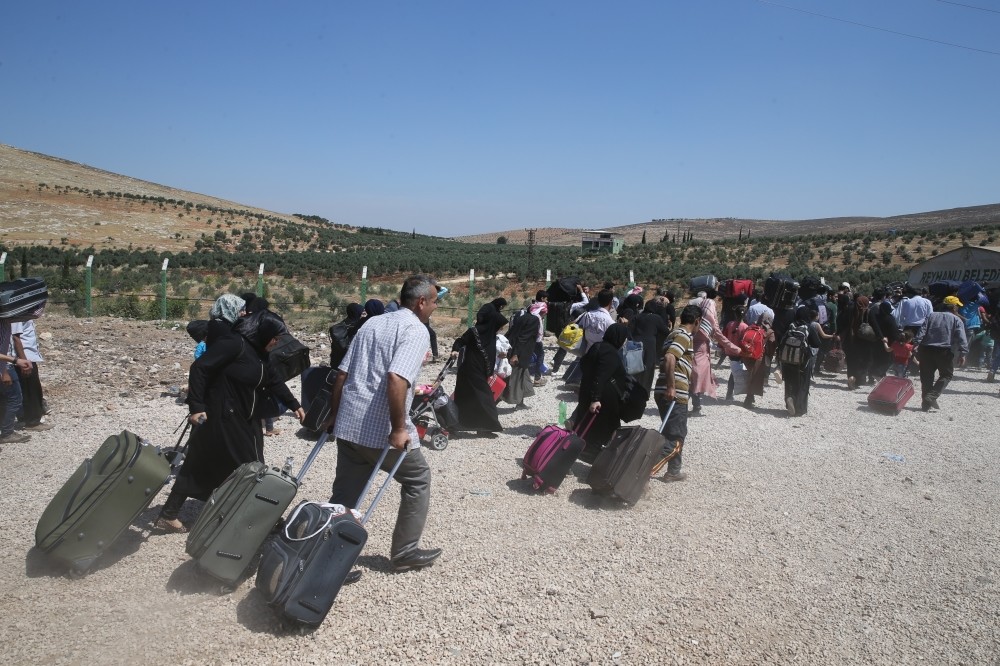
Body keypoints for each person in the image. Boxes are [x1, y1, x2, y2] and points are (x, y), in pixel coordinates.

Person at [155, 297, 305, 532]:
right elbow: (199, 368)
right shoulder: (234, 344)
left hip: (244, 417)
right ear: (264, 332)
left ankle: (171, 513)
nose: (277, 342)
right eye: (275, 337)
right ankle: (265, 520)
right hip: (222, 417)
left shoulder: (260, 353)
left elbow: (273, 379)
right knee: (247, 467)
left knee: (206, 462)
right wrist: (196, 407)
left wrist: (293, 404)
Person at [327, 275, 443, 573]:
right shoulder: (415, 330)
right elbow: (397, 378)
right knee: (418, 478)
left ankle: (325, 555)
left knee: (346, 493)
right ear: (421, 302)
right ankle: (405, 552)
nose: (435, 307)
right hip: (379, 430)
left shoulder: (373, 323)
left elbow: (342, 374)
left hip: (349, 424)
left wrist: (334, 415)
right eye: (434, 302)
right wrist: (399, 428)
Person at [568, 324, 631, 463]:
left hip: (587, 391)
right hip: (602, 399)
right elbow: (601, 376)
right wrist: (596, 398)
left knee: (584, 424)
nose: (625, 341)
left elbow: (584, 364)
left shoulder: (597, 346)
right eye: (624, 338)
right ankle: (597, 457)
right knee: (606, 427)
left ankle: (579, 452)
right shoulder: (610, 353)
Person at [653, 304, 701, 482]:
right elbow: (669, 357)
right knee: (676, 438)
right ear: (697, 321)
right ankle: (641, 473)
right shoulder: (684, 336)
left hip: (661, 390)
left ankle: (674, 471)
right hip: (674, 393)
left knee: (673, 432)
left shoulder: (672, 334)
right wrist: (671, 386)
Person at [449, 303, 508, 436]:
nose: (499, 328)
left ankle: (477, 428)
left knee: (472, 400)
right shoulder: (474, 332)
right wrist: (455, 350)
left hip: (481, 371)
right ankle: (483, 427)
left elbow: (489, 350)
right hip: (470, 371)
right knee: (485, 398)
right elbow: (460, 341)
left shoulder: (490, 334)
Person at [688, 289, 740, 412]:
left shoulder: (696, 317)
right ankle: (690, 405)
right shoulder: (709, 319)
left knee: (693, 377)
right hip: (701, 352)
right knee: (697, 376)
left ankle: (692, 404)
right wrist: (735, 348)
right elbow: (718, 335)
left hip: (691, 348)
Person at [916, 297, 968, 411]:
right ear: (953, 307)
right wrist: (963, 353)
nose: (958, 308)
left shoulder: (931, 315)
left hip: (926, 350)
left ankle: (925, 405)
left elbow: (922, 331)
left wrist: (916, 344)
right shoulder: (956, 319)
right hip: (943, 352)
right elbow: (961, 338)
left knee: (926, 377)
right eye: (957, 306)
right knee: (947, 375)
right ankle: (931, 396)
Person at [780, 306, 822, 417]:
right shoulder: (808, 327)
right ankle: (799, 408)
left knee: (789, 381)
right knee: (803, 383)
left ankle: (789, 397)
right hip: (802, 361)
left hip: (787, 360)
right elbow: (817, 343)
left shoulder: (791, 325)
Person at [11, 320, 51, 431]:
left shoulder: (25, 316)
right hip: (25, 357)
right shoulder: (17, 317)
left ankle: (28, 419)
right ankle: (32, 422)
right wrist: (24, 361)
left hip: (28, 356)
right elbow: (15, 338)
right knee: (30, 390)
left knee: (30, 389)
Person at [502, 297, 540, 407]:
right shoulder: (533, 320)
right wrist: (515, 354)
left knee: (523, 378)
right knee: (515, 379)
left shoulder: (523, 317)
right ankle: (496, 399)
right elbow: (523, 338)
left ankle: (520, 402)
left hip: (520, 353)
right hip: (520, 354)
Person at [0, 319, 32, 445]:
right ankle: (7, 432)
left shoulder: (5, 323)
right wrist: (5, 370)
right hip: (5, 367)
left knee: (7, 399)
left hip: (6, 365)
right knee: (14, 399)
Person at [629, 300, 669, 394]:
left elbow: (630, 330)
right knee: (648, 367)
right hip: (649, 345)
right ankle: (644, 391)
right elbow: (665, 332)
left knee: (635, 367)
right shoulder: (656, 318)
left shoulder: (637, 316)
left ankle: (632, 388)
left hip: (636, 344)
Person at [743, 312, 776, 410]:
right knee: (754, 377)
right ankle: (748, 400)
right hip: (758, 356)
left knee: (749, 375)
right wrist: (769, 356)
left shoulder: (751, 327)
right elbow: (772, 344)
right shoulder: (770, 331)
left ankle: (749, 396)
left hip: (746, 355)